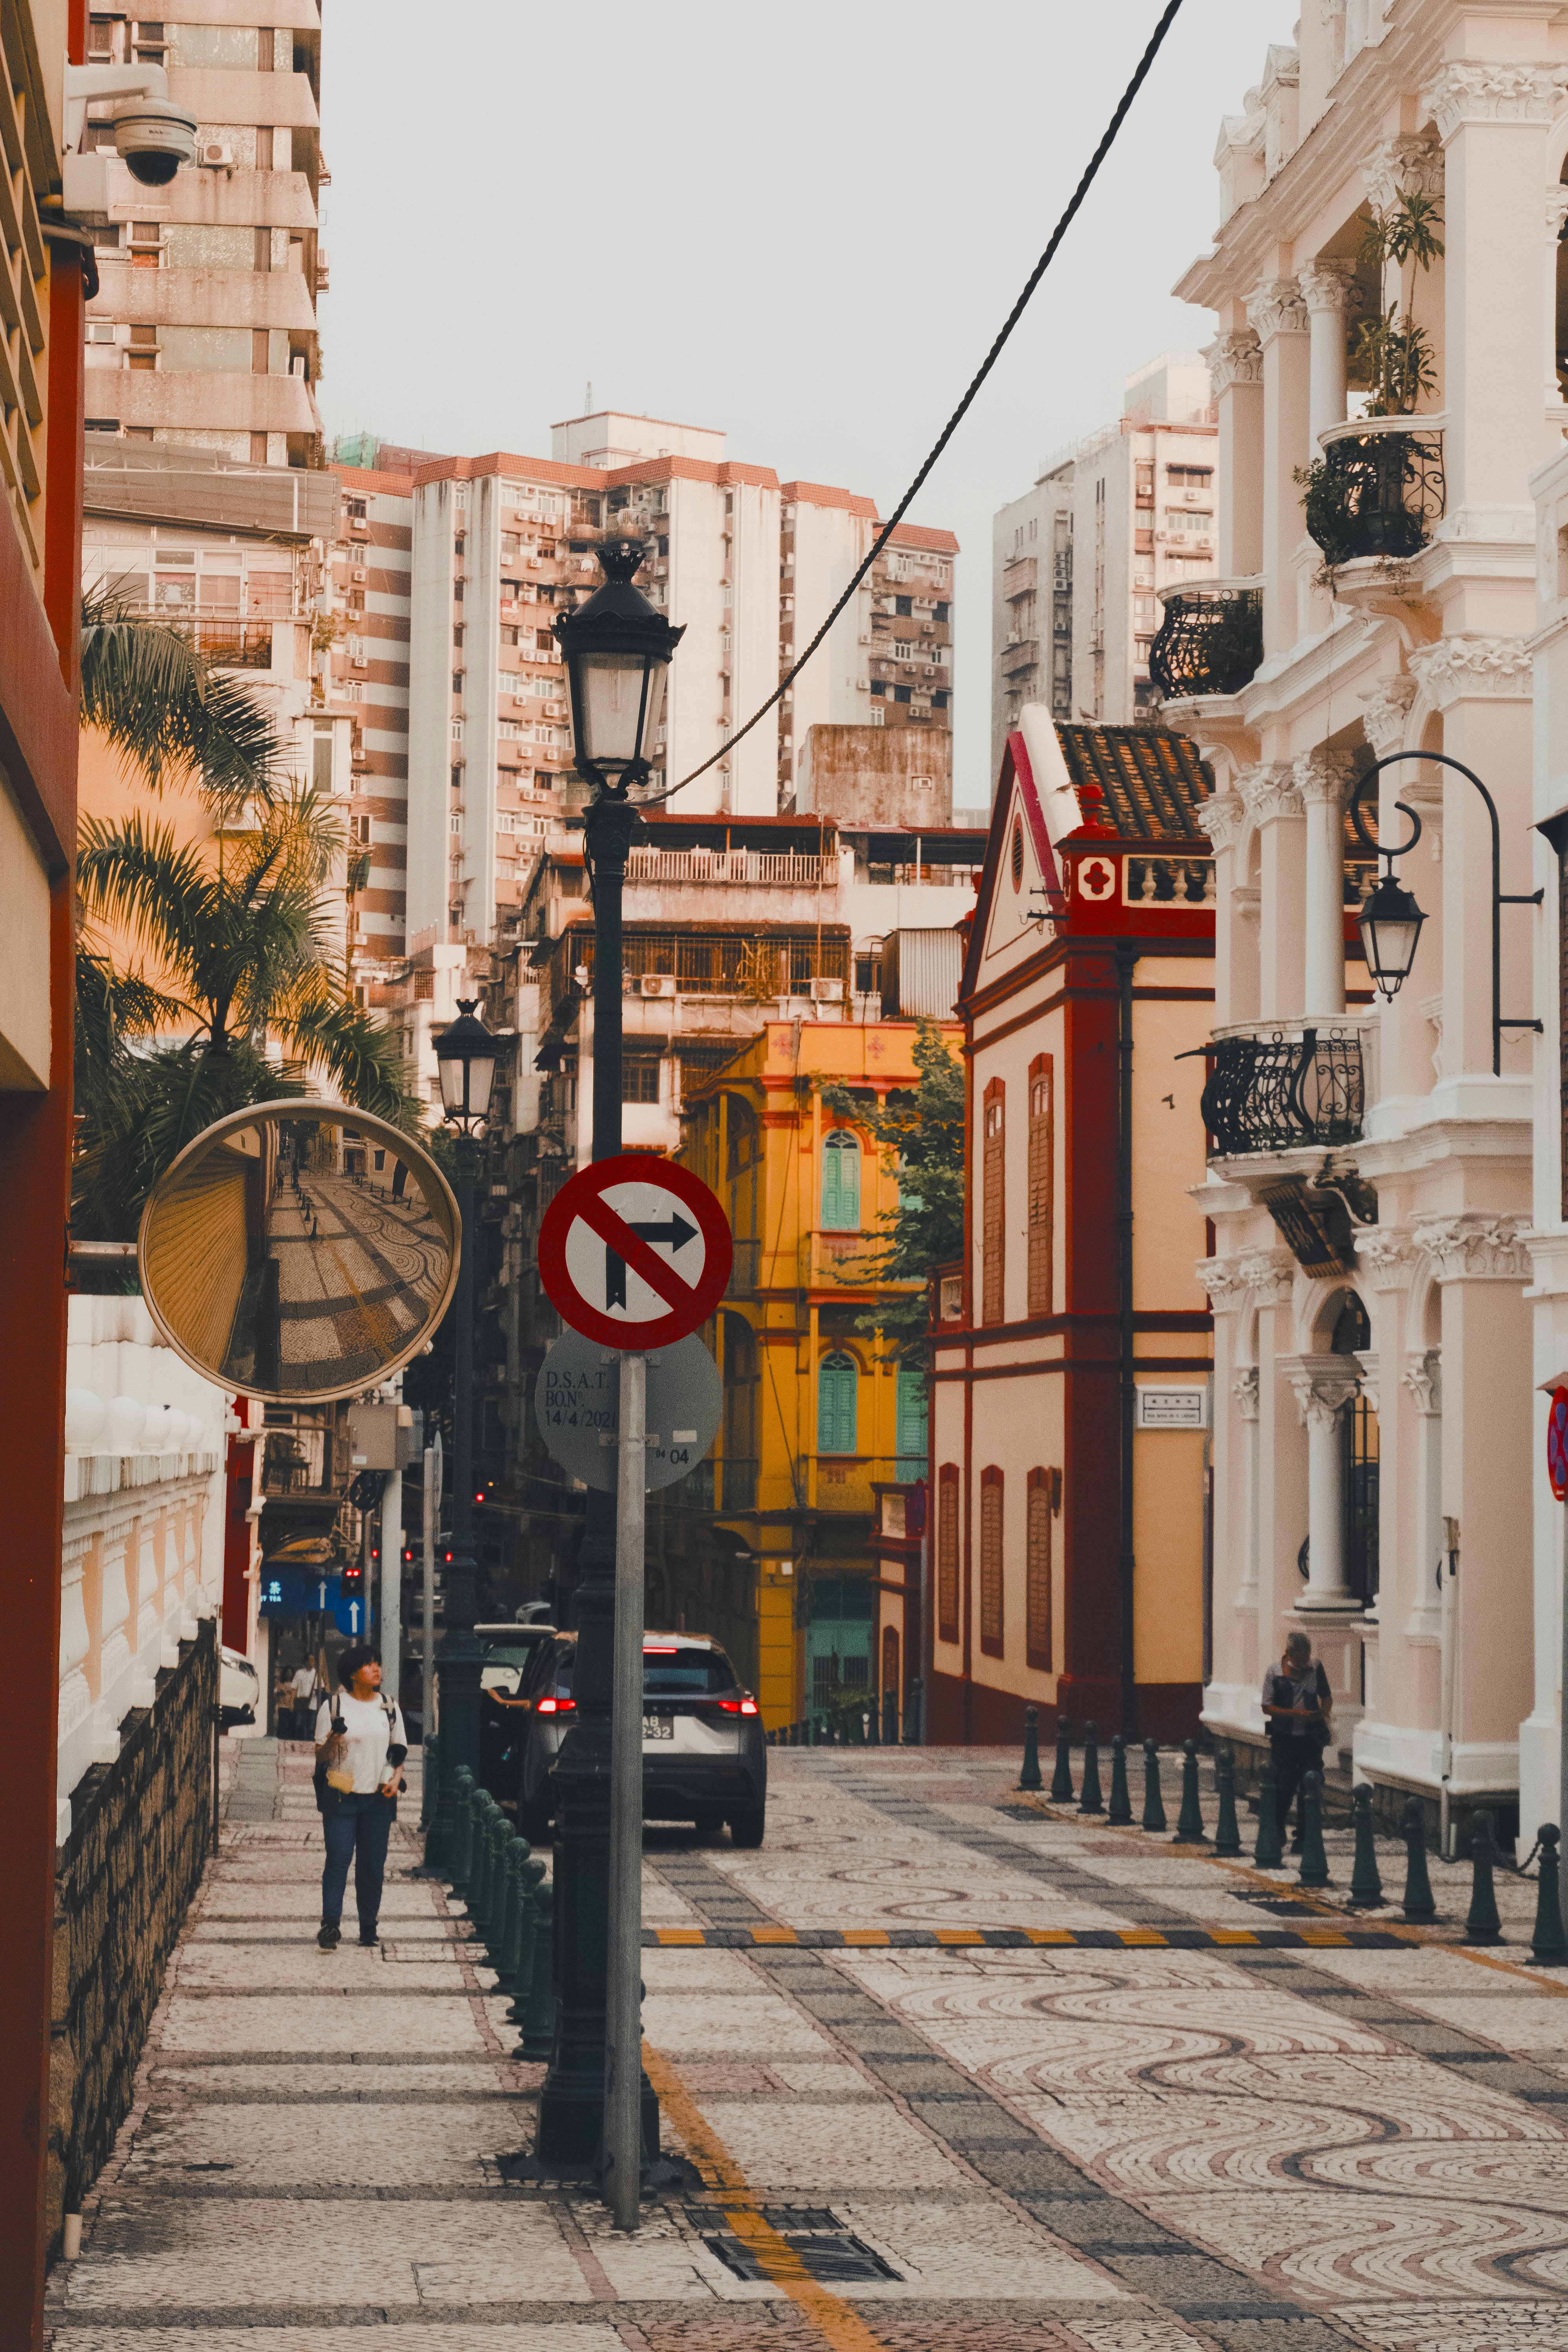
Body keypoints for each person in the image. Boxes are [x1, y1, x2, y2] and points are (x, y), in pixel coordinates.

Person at [314, 1643, 407, 1951]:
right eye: (369, 1665)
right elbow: (322, 1756)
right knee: (338, 1861)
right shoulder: (335, 1707)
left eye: (378, 1664)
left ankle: (369, 1926)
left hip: (379, 1799)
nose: (377, 1669)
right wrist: (335, 1737)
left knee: (372, 1866)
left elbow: (398, 1750)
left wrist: (396, 1779)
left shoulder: (389, 1706)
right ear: (353, 1674)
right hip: (342, 1796)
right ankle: (331, 1924)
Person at [1261, 1631, 1332, 1849]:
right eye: (1299, 1657)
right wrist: (1295, 1714)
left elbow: (1327, 1696)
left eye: (1307, 1656)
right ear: (1289, 1652)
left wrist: (1323, 1713)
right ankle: (1278, 1829)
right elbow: (1266, 1706)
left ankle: (1304, 1836)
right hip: (1284, 1738)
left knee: (1310, 1784)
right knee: (1284, 1785)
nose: (1303, 1661)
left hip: (1311, 1738)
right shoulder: (1274, 1672)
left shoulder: (1316, 1668)